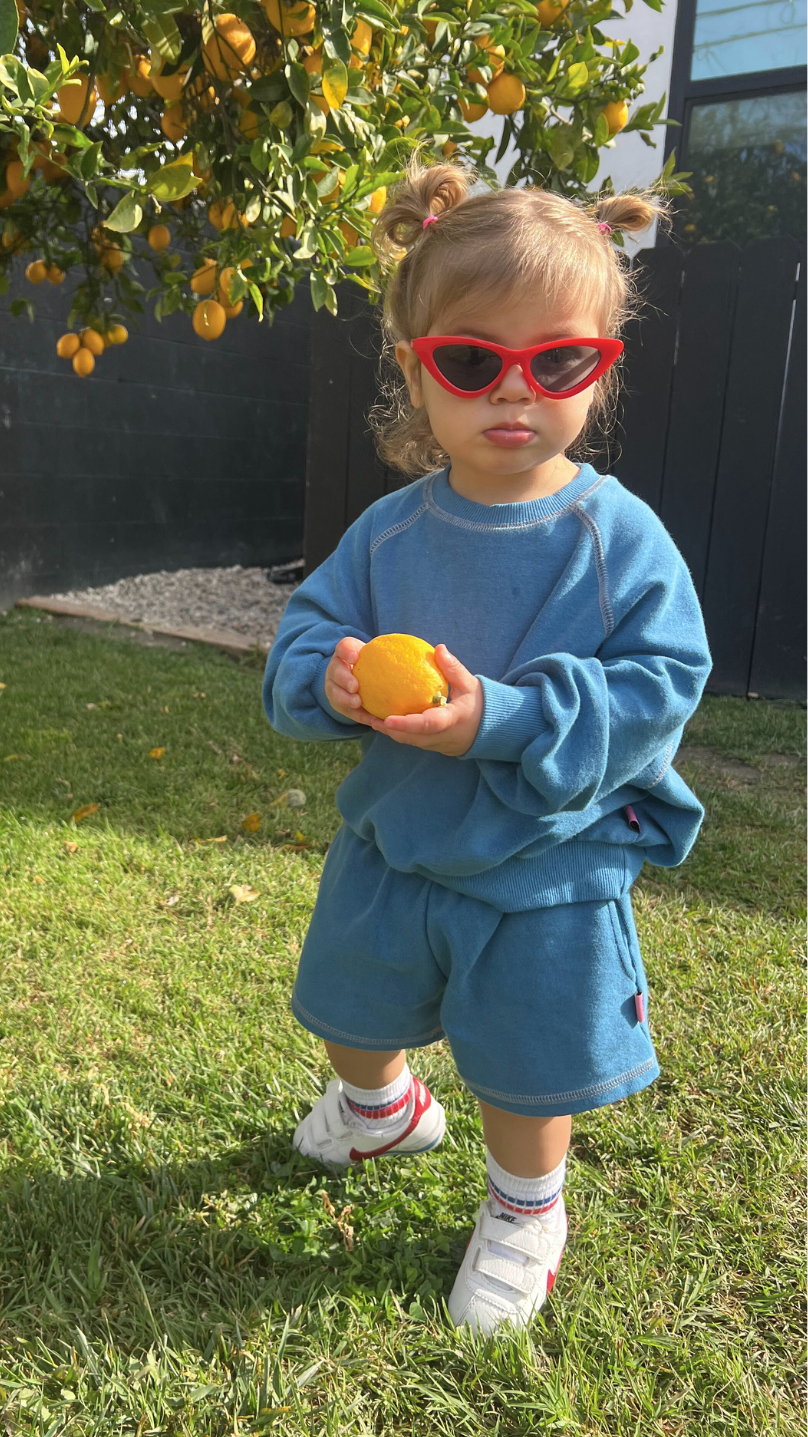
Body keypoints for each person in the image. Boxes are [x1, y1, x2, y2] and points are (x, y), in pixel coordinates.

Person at [262, 157, 711, 1337]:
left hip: (543, 868)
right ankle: (380, 1111)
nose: (515, 392)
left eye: (557, 361)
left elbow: (665, 682)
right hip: (396, 843)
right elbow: (304, 634)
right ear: (418, 370)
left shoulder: (617, 536)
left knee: (526, 1066)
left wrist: (498, 719)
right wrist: (333, 675)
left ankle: (525, 1206)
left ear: (600, 371)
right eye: (473, 362)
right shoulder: (387, 529)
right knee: (349, 1008)